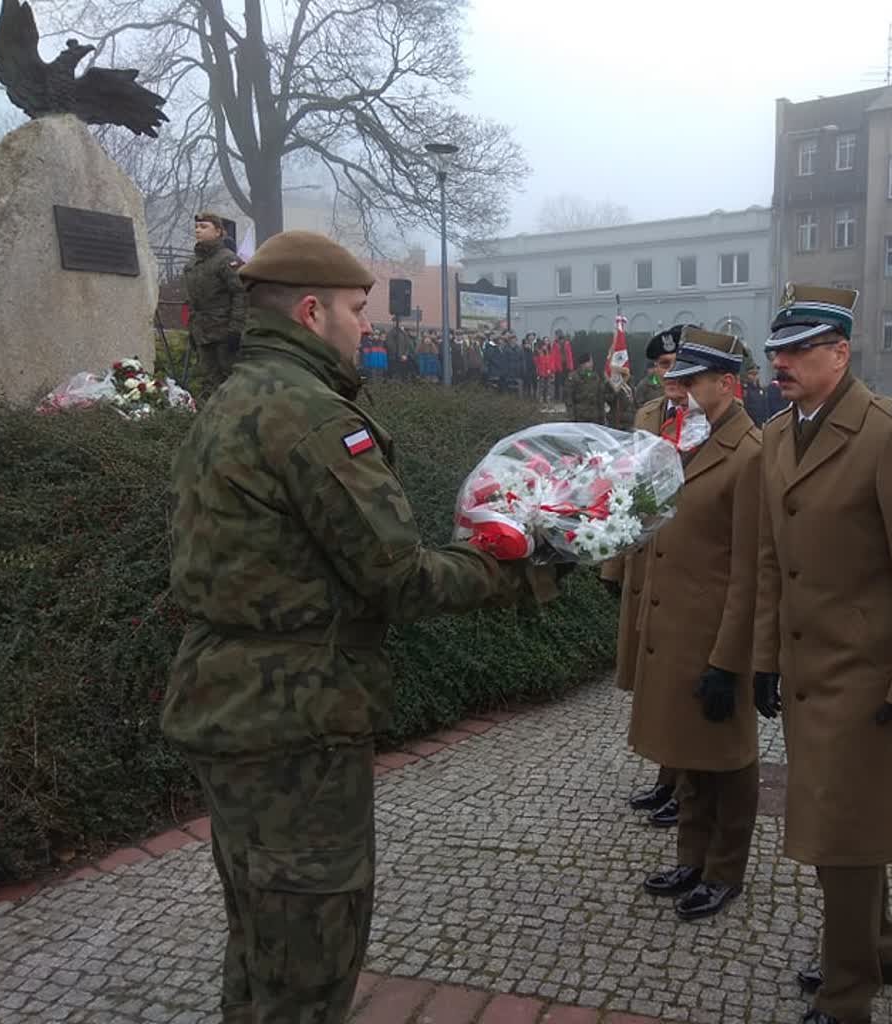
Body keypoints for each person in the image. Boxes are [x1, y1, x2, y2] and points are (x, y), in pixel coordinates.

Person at [164, 230, 554, 1024]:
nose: (365, 326)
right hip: (293, 721)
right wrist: (523, 565)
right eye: (355, 309)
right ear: (311, 312)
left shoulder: (235, 395)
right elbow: (397, 578)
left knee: (261, 938)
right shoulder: (311, 417)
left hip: (229, 703)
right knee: (309, 957)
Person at [752, 284, 892, 1024]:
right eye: (775, 351)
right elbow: (772, 559)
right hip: (808, 671)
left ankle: (846, 996)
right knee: (848, 825)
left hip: (869, 679)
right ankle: (880, 945)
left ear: (840, 353)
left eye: (798, 350)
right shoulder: (778, 433)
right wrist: (764, 656)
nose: (780, 363)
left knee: (841, 836)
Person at [630, 328, 762, 921]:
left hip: (714, 633)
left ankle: (724, 869)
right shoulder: (688, 437)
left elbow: (752, 567)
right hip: (677, 628)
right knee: (688, 749)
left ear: (726, 384)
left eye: (692, 379)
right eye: (677, 377)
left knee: (727, 757)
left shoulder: (750, 453)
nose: (678, 387)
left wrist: (729, 658)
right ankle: (691, 857)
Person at [606, 325, 688, 827]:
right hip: (646, 561)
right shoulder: (647, 415)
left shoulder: (708, 420)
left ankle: (685, 784)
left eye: (677, 365)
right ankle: (666, 776)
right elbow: (627, 490)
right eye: (662, 366)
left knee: (679, 681)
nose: (670, 375)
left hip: (684, 567)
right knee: (653, 681)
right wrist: (613, 563)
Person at [183, 211, 247, 394]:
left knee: (230, 383)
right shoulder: (193, 263)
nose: (198, 230)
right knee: (208, 382)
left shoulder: (227, 260)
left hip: (223, 331)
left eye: (204, 227)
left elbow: (241, 294)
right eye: (196, 227)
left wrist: (236, 330)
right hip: (202, 332)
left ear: (218, 231)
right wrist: (192, 329)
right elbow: (191, 299)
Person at [635, 330, 680, 407]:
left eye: (678, 364)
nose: (671, 371)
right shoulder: (646, 414)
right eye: (664, 364)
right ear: (656, 368)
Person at [564, 350, 605, 423]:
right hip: (579, 417)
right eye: (590, 361)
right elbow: (569, 399)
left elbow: (600, 399)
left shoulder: (595, 377)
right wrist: (571, 418)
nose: (592, 364)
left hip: (594, 418)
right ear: (584, 363)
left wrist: (602, 417)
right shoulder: (573, 377)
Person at [605, 364, 636, 429]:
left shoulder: (629, 386)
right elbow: (608, 399)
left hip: (629, 422)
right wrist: (615, 391)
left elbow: (634, 402)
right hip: (616, 422)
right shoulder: (610, 385)